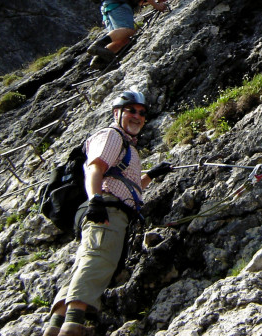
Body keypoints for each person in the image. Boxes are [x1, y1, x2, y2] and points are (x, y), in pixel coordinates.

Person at [42, 90, 173, 336]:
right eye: (131, 110)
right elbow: (96, 168)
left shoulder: (127, 146)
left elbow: (122, 182)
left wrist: (150, 176)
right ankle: (73, 326)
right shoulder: (113, 136)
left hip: (108, 206)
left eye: (142, 113)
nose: (137, 116)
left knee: (86, 261)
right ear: (117, 113)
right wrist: (96, 201)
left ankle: (56, 326)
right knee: (99, 259)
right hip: (107, 209)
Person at [87, 0, 176, 67]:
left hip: (114, 4)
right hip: (117, 3)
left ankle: (99, 60)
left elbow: (139, 1)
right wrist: (156, 5)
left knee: (124, 40)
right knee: (128, 30)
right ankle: (98, 45)